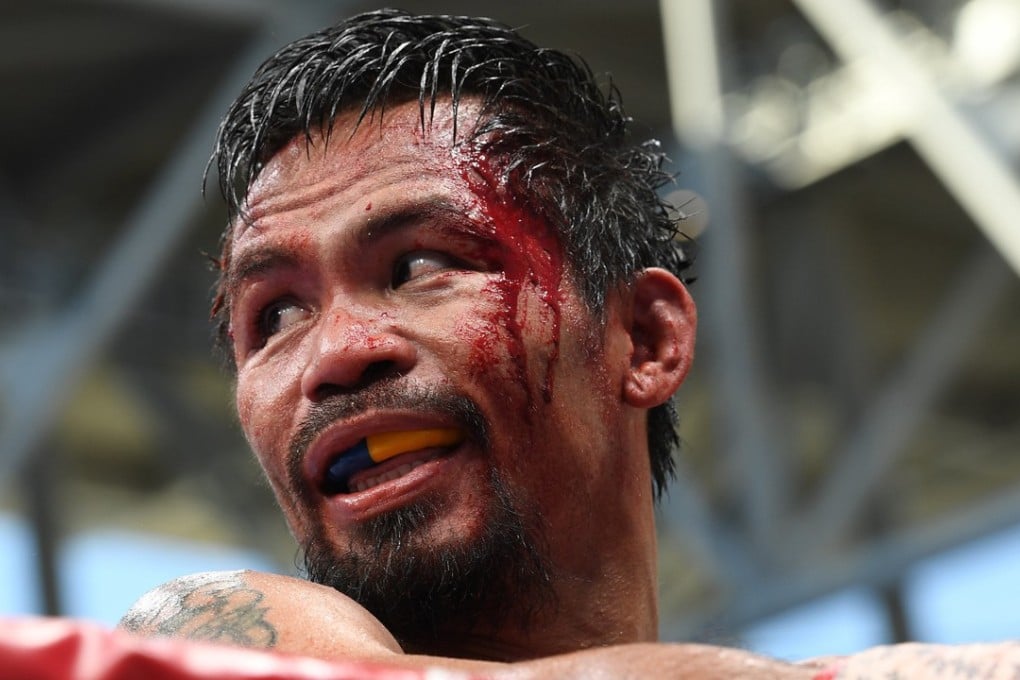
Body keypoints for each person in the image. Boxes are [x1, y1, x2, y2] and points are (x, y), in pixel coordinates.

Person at [118, 10, 1017, 678]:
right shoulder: (202, 629)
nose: (336, 352)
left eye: (419, 264)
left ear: (644, 339)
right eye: (272, 315)